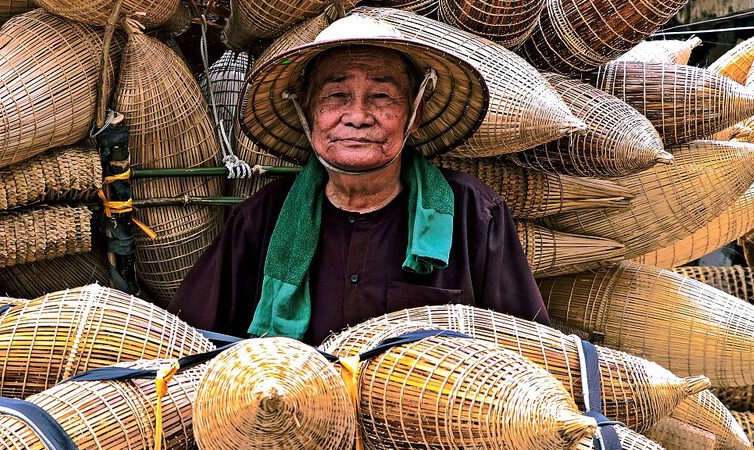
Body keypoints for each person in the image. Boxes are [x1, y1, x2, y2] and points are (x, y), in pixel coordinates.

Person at [168, 16, 550, 345]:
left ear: (414, 115)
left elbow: (527, 348)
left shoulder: (472, 214)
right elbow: (192, 342)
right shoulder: (263, 217)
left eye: (381, 96)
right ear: (307, 112)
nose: (357, 117)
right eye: (336, 95)